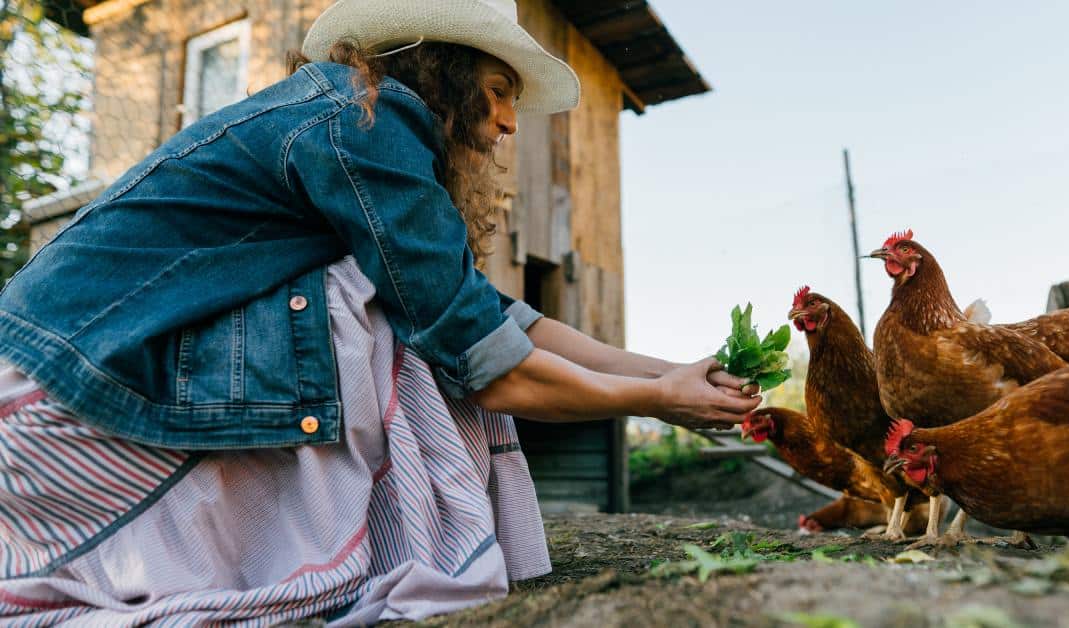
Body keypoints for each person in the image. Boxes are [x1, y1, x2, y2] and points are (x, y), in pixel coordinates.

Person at [0, 0, 760, 624]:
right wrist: (658, 400)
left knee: (401, 302)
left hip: (70, 366)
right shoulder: (365, 122)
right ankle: (360, 542)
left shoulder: (344, 117)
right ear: (444, 69)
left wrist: (675, 373)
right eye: (499, 92)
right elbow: (483, 359)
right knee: (380, 318)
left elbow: (498, 316)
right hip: (52, 399)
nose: (509, 125)